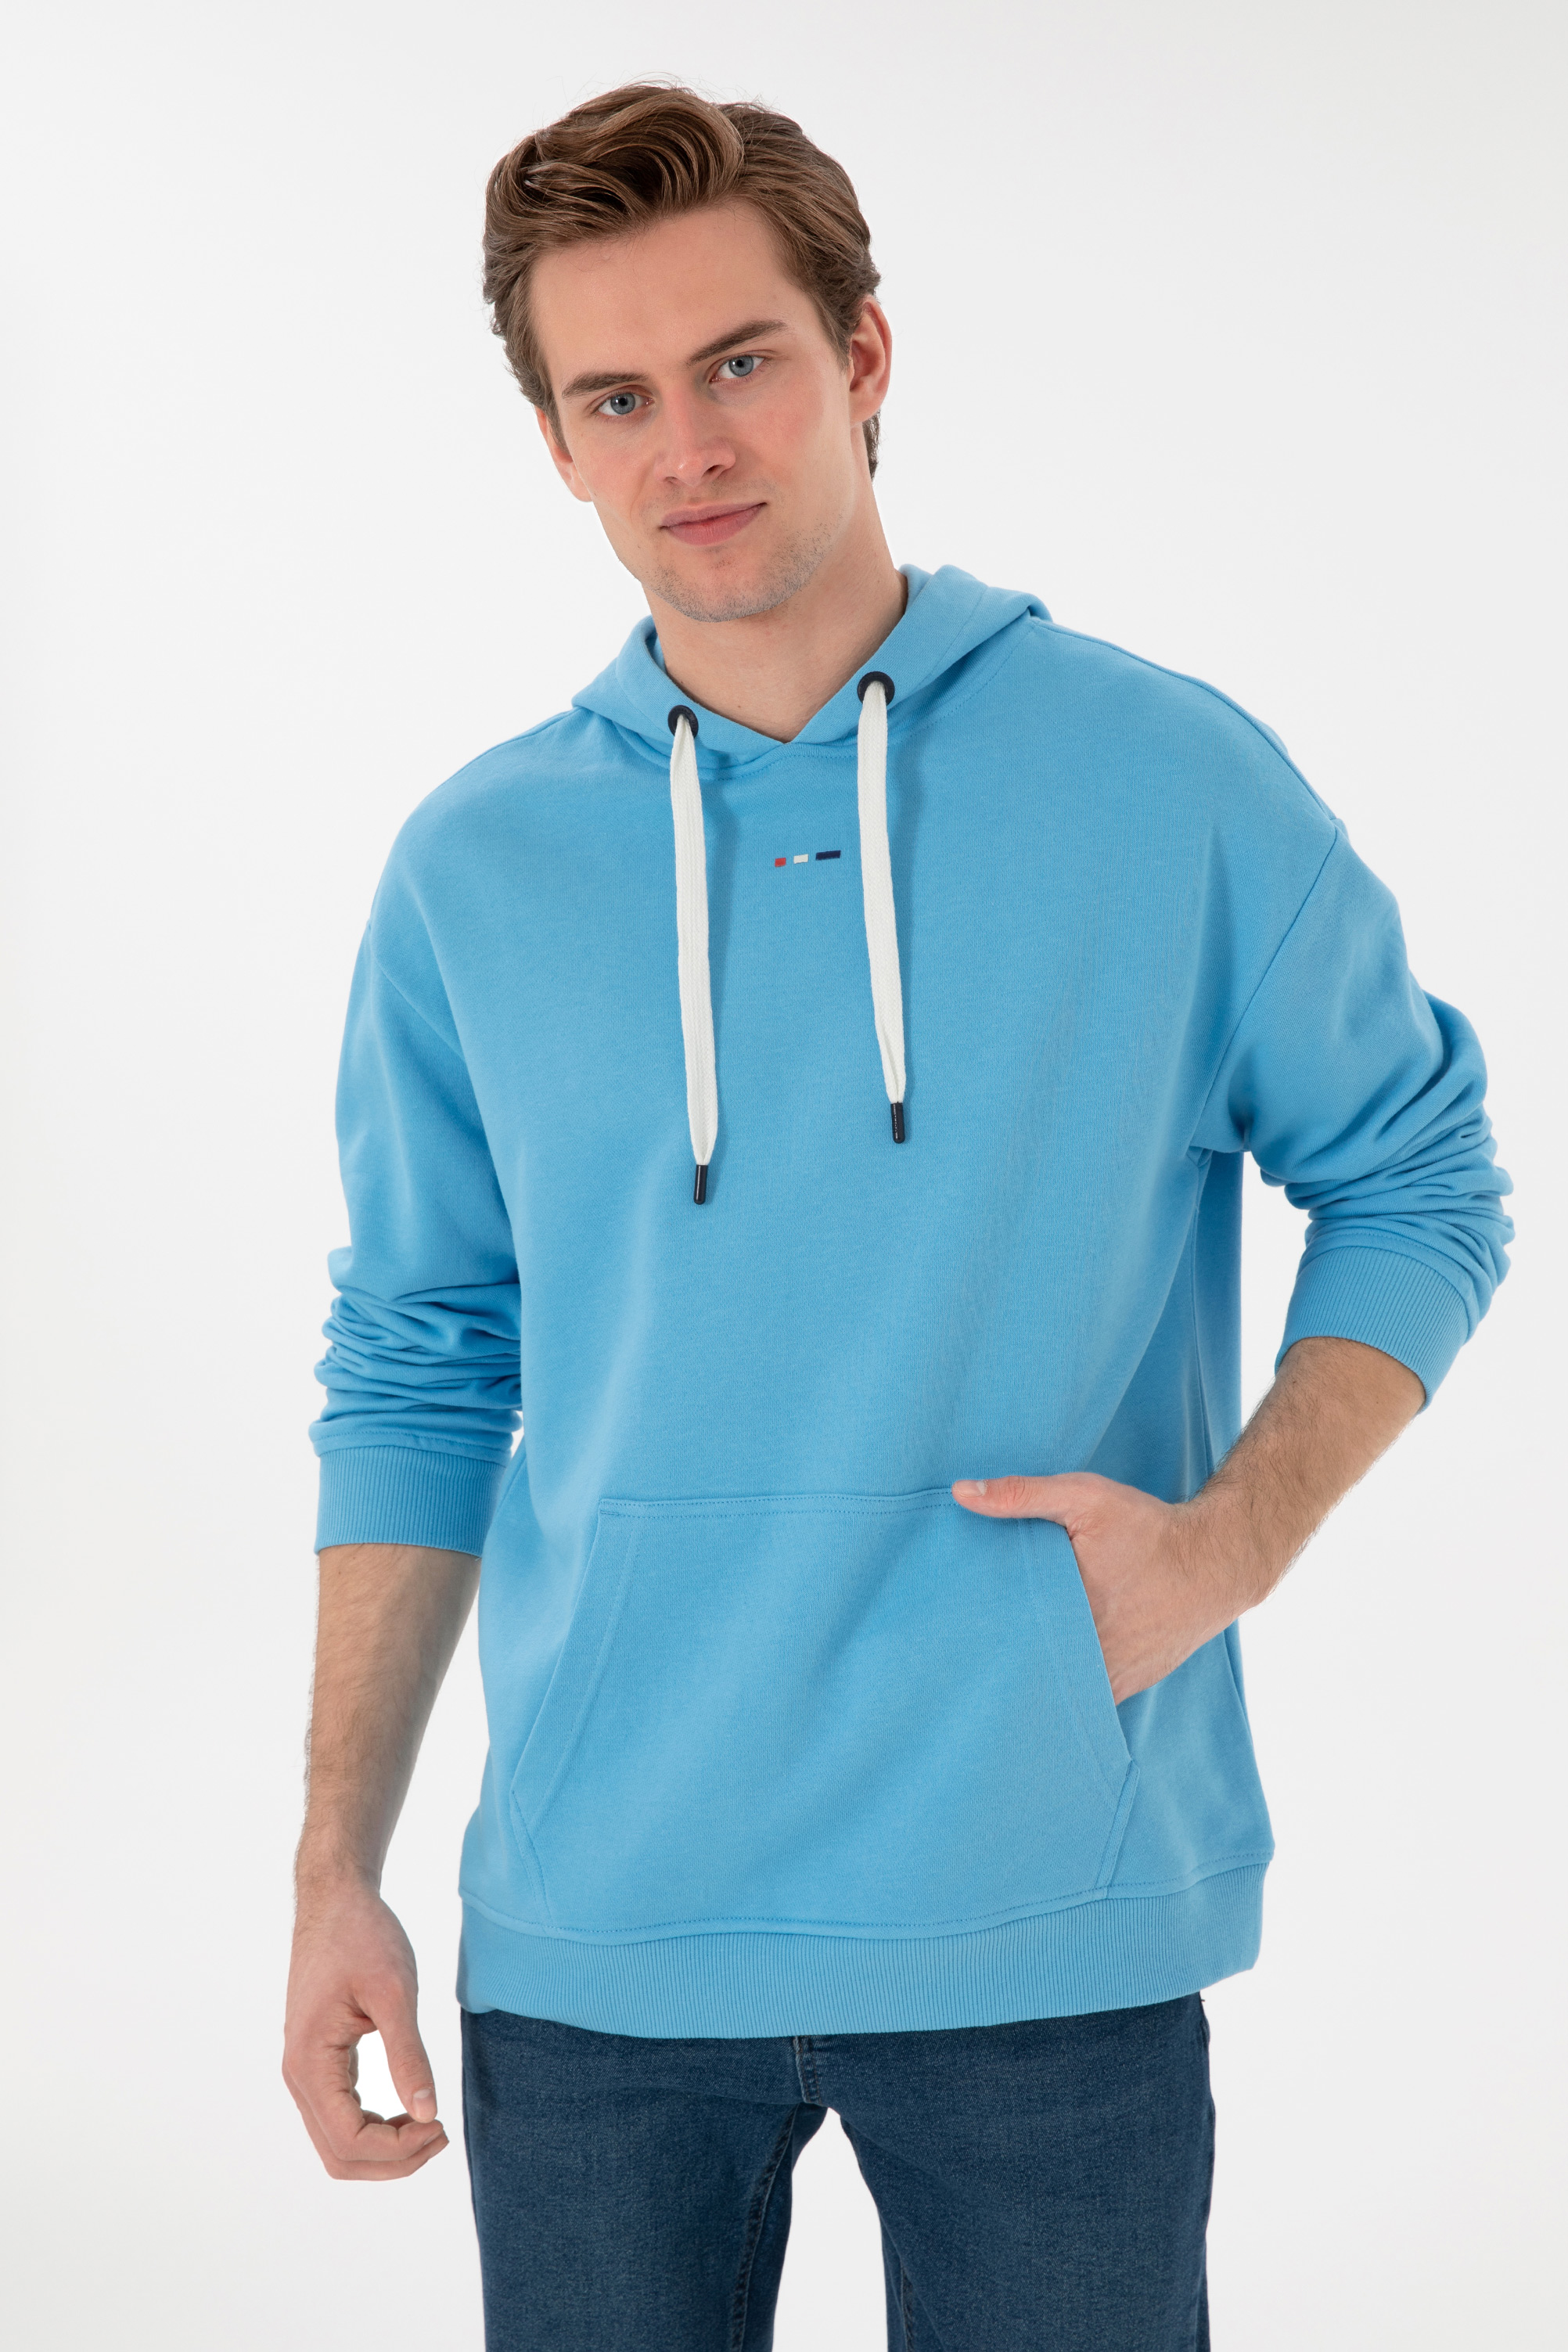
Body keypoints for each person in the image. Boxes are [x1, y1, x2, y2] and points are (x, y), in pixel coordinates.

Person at [282, 82, 1512, 2351]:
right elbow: (421, 1363)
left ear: (861, 355)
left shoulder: (1167, 783)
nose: (689, 446)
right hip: (601, 1931)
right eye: (615, 398)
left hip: (1047, 1901)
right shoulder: (473, 871)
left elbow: (1416, 1172)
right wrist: (332, 1867)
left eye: (739, 361)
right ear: (555, 445)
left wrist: (1231, 1544)